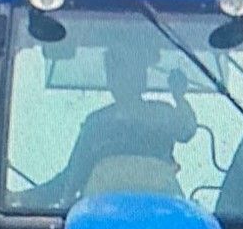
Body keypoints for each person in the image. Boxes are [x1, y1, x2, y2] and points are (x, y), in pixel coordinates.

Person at [35, 47, 198, 207]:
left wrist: (179, 97)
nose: (120, 78)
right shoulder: (96, 124)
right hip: (100, 220)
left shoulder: (162, 113)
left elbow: (187, 130)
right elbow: (70, 180)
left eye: (128, 70)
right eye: (114, 72)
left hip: (163, 215)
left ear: (141, 77)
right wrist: (23, 199)